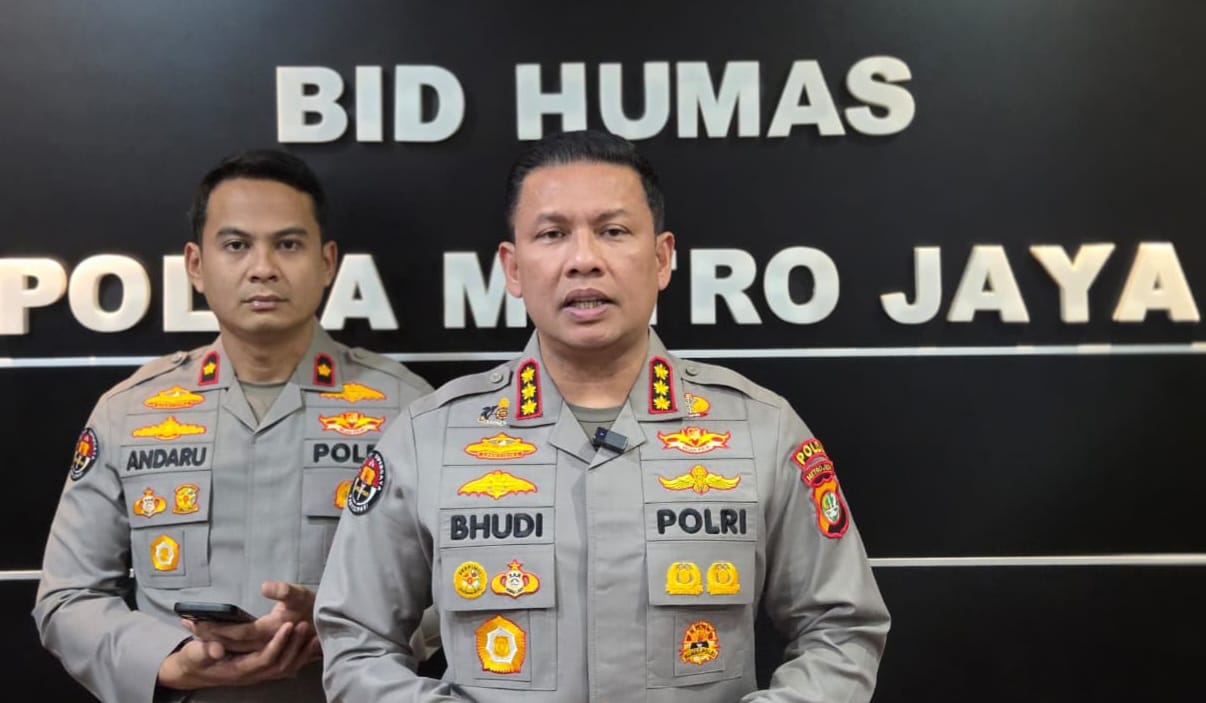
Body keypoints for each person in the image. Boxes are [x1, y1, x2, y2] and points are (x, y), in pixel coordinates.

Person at [314, 129, 890, 702]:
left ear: (661, 258)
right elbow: (357, 643)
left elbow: (841, 629)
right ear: (513, 268)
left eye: (613, 231)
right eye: (552, 234)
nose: (583, 260)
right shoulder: (429, 439)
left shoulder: (760, 430)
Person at [32, 148, 435, 703]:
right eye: (237, 245)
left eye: (288, 244)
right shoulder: (130, 412)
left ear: (327, 262)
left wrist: (343, 629)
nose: (262, 267)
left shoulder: (406, 408)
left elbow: (457, 587)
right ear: (196, 264)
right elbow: (68, 598)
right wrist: (171, 661)